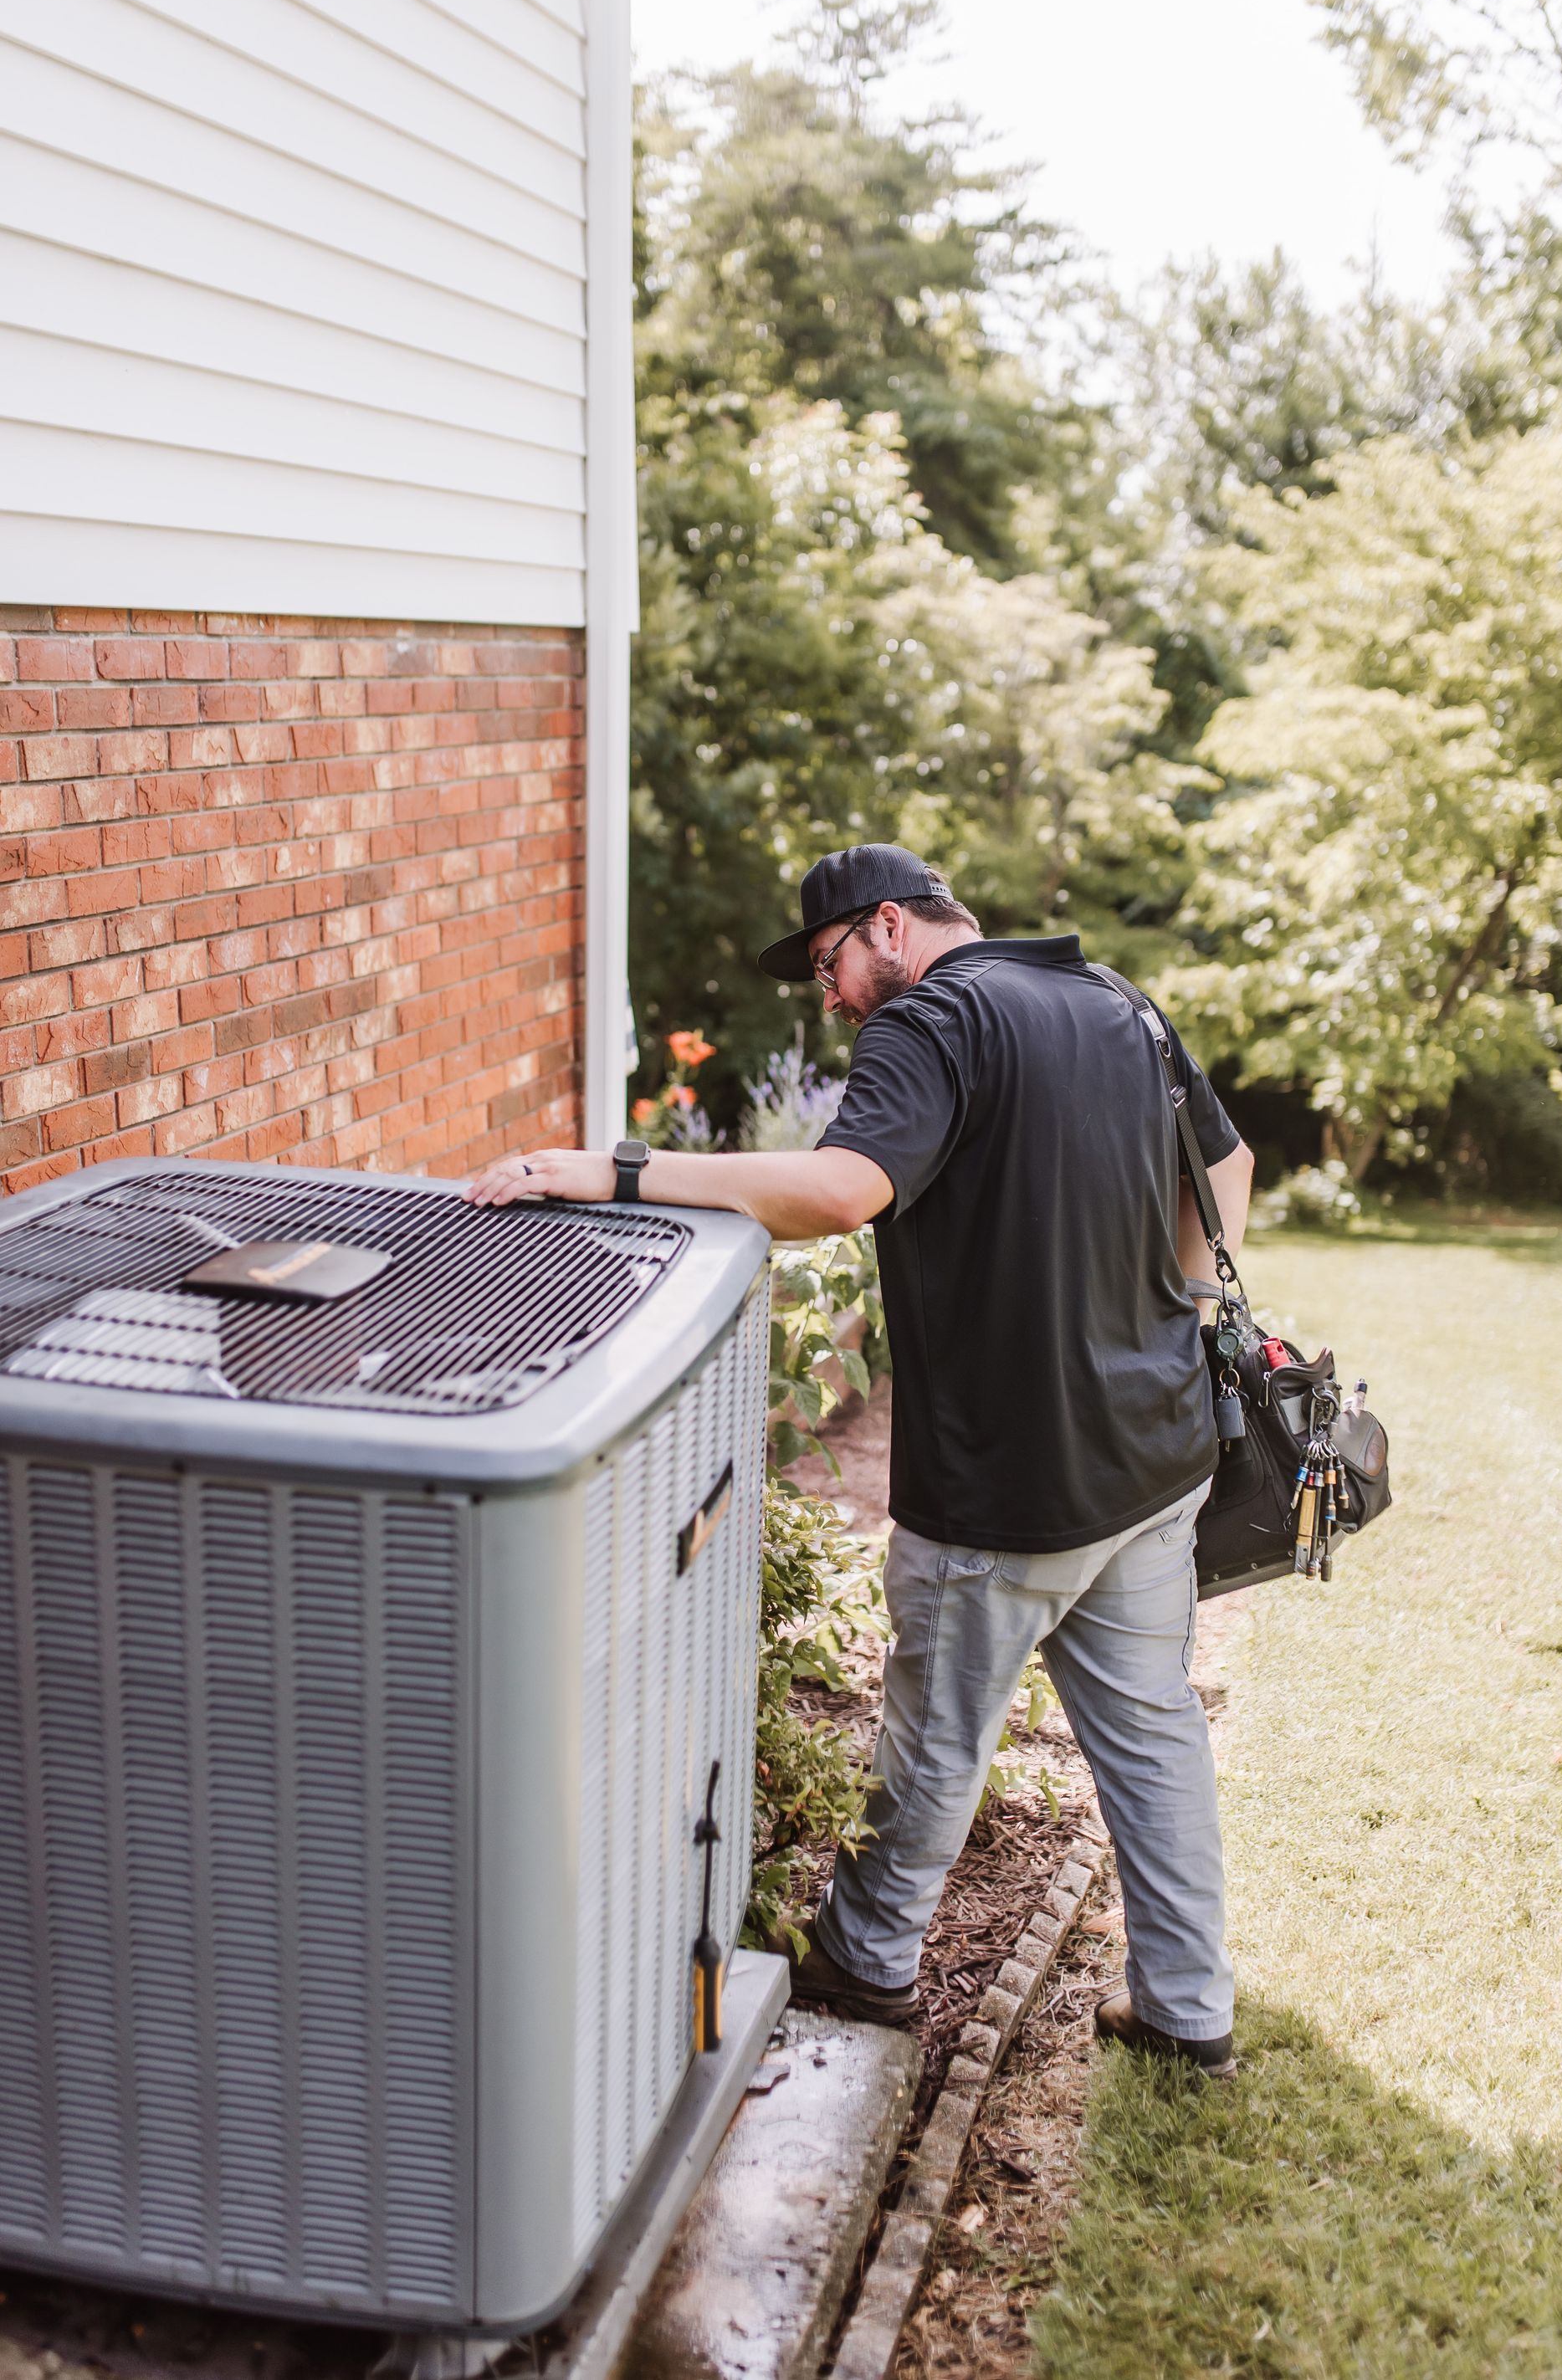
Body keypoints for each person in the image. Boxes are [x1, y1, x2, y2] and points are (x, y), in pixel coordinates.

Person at [467, 843, 1254, 2081]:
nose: (830, 1002)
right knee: (1154, 1734)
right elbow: (1228, 1172)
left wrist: (611, 1170)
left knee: (935, 1742)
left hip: (1010, 1484)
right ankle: (1186, 2008)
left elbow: (843, 1190)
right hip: (1154, 1463)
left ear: (889, 928)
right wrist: (1180, 1319)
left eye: (830, 965)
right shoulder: (1115, 1001)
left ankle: (869, 1961)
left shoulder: (932, 1020)